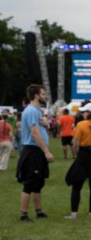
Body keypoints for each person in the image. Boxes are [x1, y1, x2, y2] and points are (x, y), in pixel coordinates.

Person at [16, 84, 55, 222]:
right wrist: (46, 152)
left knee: (38, 182)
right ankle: (24, 214)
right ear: (36, 96)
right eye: (43, 94)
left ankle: (39, 211)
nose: (45, 96)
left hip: (36, 151)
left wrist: (47, 125)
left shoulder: (37, 111)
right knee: (30, 182)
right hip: (33, 151)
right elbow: (34, 133)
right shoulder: (32, 110)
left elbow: (40, 130)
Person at [64, 103, 91, 219]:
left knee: (76, 186)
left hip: (84, 156)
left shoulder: (81, 125)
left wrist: (78, 154)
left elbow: (75, 144)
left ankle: (74, 214)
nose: (83, 113)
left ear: (89, 113)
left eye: (84, 111)